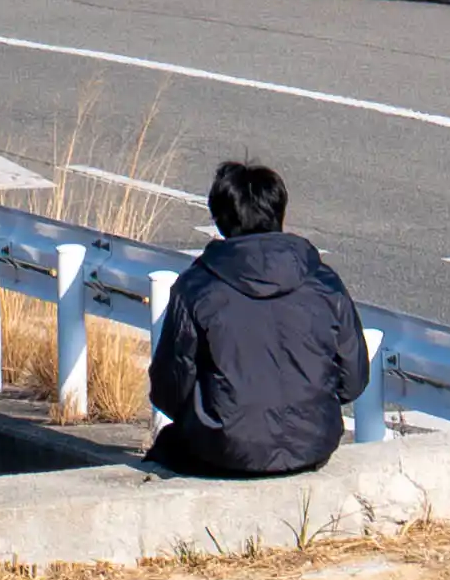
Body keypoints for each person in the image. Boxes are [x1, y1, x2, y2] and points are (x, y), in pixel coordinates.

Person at [140, 158, 362, 479]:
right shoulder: (323, 281)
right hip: (314, 442)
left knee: (167, 447)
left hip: (225, 447)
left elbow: (169, 386)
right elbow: (353, 378)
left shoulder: (197, 286)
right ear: (279, 213)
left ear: (219, 220)